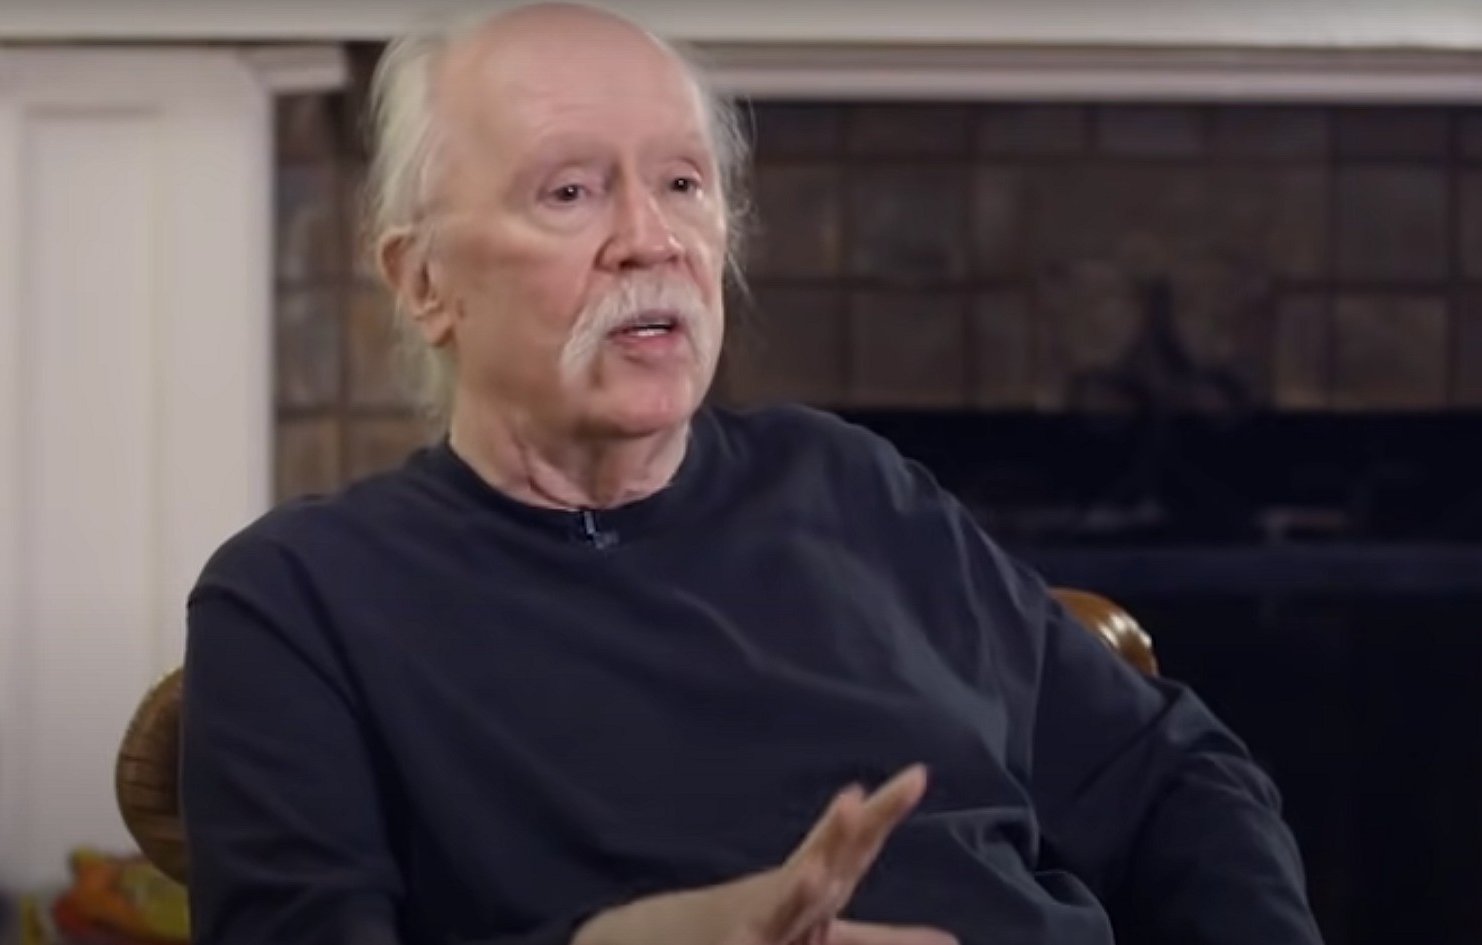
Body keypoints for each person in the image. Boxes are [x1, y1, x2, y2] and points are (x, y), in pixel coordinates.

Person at [178, 4, 1325, 944]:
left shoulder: (850, 487)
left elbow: (1175, 778)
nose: (651, 239)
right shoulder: (302, 600)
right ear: (422, 279)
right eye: (569, 191)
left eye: (682, 183)